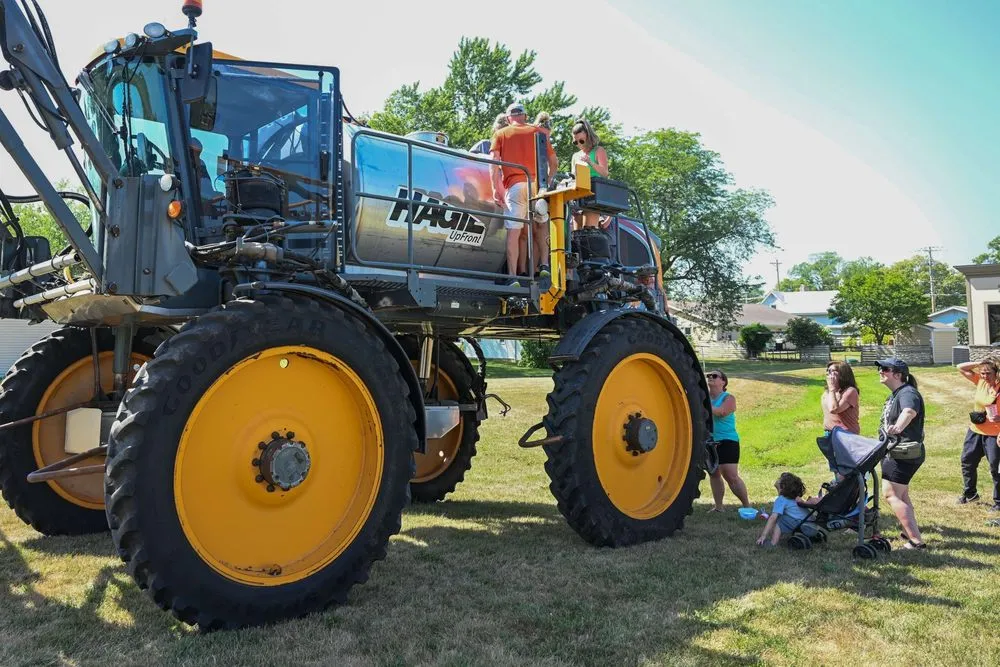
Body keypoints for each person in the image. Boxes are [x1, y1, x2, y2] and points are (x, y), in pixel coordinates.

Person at [490, 102, 558, 285]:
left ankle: (513, 276)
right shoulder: (540, 132)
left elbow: (494, 162)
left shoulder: (501, 134)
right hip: (537, 185)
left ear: (508, 117)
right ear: (525, 116)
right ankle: (544, 265)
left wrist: (496, 188)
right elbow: (554, 162)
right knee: (542, 223)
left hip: (516, 185)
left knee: (514, 232)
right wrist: (548, 182)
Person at [875, 357, 927, 549]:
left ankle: (916, 541)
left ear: (898, 375)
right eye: (880, 368)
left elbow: (909, 411)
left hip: (902, 452)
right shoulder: (897, 393)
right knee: (901, 494)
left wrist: (898, 427)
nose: (881, 371)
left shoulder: (907, 392)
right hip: (899, 451)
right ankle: (909, 533)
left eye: (885, 369)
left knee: (891, 494)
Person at [956, 354, 1000, 509]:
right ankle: (970, 493)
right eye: (983, 372)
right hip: (975, 430)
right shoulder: (980, 382)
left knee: (996, 468)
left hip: (995, 434)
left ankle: (998, 502)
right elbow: (960, 367)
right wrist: (981, 363)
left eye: (988, 373)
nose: (985, 376)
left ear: (997, 373)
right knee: (967, 461)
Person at [706, 369, 751, 511]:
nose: (710, 378)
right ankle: (719, 507)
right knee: (714, 473)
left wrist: (702, 406)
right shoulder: (704, 398)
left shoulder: (728, 398)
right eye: (708, 376)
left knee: (731, 476)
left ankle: (747, 506)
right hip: (710, 441)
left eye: (714, 376)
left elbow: (722, 412)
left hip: (727, 440)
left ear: (723, 381)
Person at [569, 118, 609, 230]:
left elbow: (605, 173)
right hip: (578, 195)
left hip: (593, 195)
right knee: (576, 234)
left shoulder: (598, 150)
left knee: (589, 231)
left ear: (588, 137)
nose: (579, 144)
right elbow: (573, 175)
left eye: (581, 141)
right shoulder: (575, 156)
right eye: (575, 142)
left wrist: (590, 162)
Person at [757, 472, 810, 546]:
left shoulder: (781, 499)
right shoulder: (795, 497)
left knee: (780, 519)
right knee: (783, 516)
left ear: (783, 486)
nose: (777, 479)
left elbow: (773, 518)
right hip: (811, 526)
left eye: (779, 479)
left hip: (804, 526)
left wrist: (763, 535)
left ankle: (773, 543)